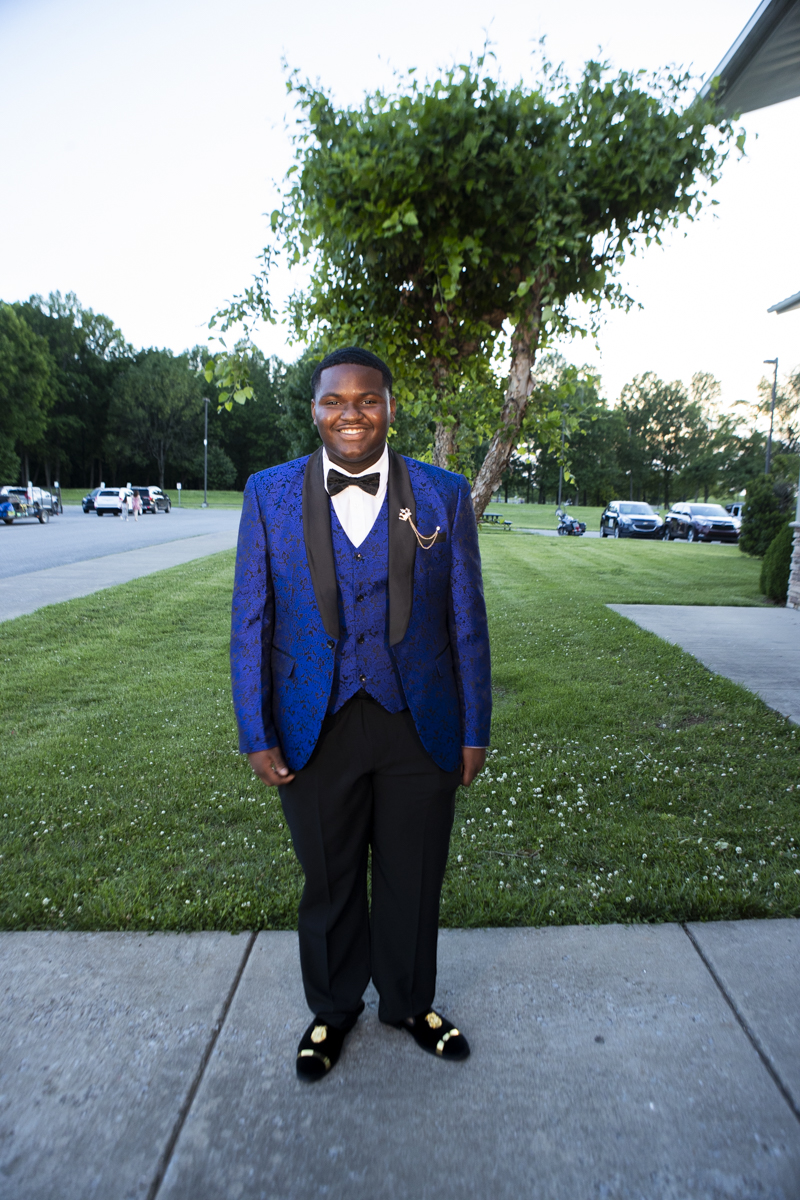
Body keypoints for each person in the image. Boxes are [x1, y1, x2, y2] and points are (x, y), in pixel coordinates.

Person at [230, 347, 491, 1082]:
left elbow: (467, 619)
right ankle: (333, 1008)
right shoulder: (268, 493)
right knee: (329, 875)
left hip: (420, 718)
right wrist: (255, 730)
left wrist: (475, 728)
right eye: (334, 401)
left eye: (367, 400)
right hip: (312, 718)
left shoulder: (442, 494)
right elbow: (251, 618)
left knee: (414, 874)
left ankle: (409, 1002)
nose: (351, 414)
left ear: (390, 408)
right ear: (314, 410)